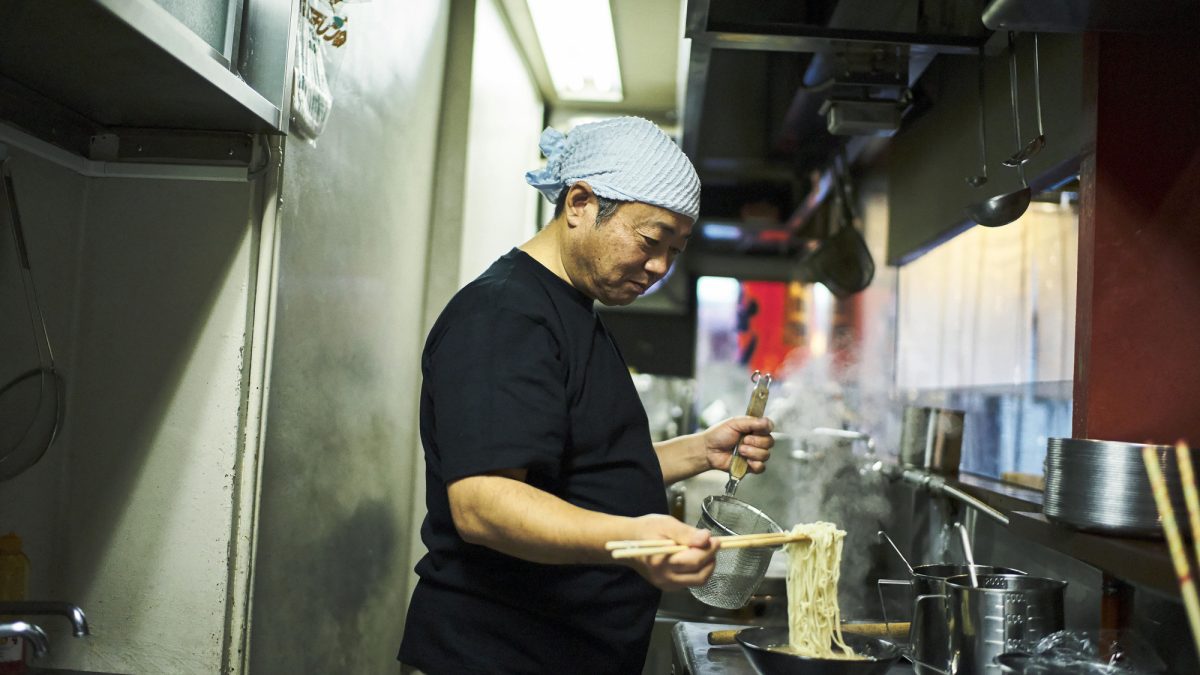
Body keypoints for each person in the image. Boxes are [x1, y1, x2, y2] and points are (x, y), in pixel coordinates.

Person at [398, 117, 775, 674]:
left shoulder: (570, 312)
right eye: (650, 241)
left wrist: (700, 451)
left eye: (675, 250)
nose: (659, 268)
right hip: (496, 657)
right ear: (579, 203)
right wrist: (633, 538)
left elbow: (584, 470)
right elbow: (483, 504)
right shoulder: (506, 316)